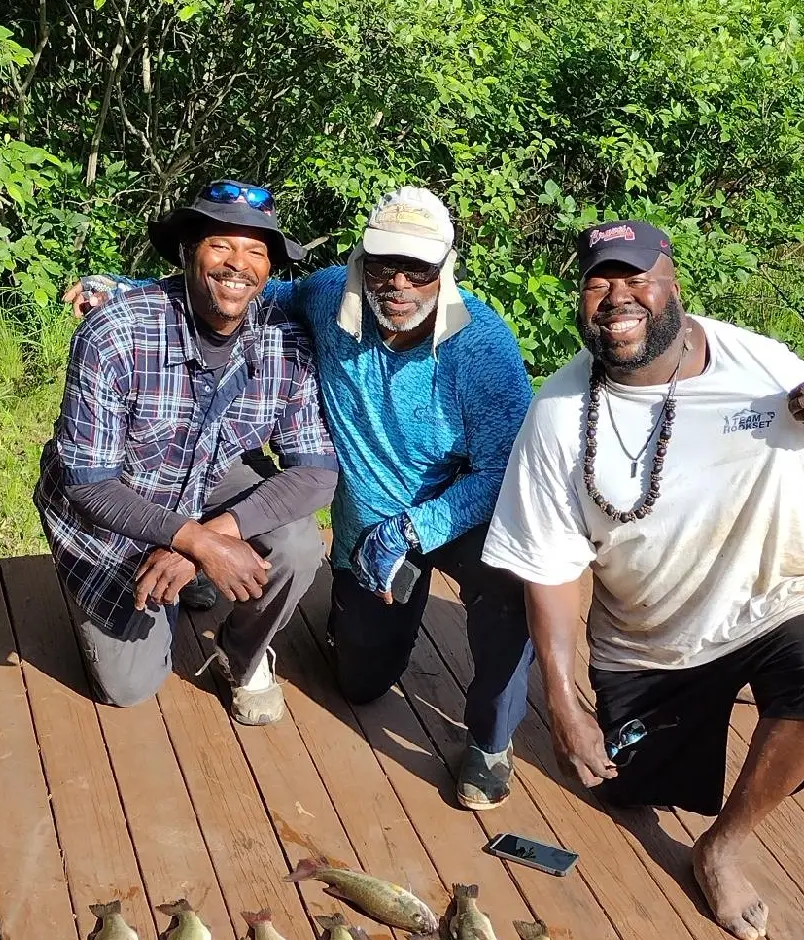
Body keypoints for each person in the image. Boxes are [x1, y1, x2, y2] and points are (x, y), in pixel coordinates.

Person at [482, 221, 804, 940]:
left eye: (635, 276)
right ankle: (665, 735)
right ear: (579, 300)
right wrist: (561, 701)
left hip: (777, 600)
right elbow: (551, 570)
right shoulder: (558, 414)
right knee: (628, 791)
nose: (617, 296)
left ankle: (726, 844)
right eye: (597, 281)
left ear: (673, 283)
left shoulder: (764, 368)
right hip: (649, 642)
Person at [68, 187, 536, 810]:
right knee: (360, 682)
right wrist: (123, 289)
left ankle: (491, 741)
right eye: (383, 264)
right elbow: (241, 289)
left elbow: (503, 466)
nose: (399, 283)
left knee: (510, 581)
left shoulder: (485, 348)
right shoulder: (327, 298)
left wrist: (417, 529)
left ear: (446, 267)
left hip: (462, 508)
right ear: (360, 260)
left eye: (419, 268)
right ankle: (345, 614)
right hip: (370, 521)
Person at [38, 180, 336, 721]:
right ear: (188, 252)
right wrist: (192, 538)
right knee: (127, 686)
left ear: (269, 271)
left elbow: (317, 472)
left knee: (298, 544)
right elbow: (87, 483)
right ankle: (165, 587)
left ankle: (241, 654)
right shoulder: (115, 332)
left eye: (256, 251)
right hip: (122, 494)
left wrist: (206, 540)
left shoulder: (285, 337)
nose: (237, 264)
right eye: (221, 244)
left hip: (213, 475)